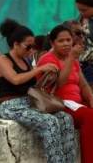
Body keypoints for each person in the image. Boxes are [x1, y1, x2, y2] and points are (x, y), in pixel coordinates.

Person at [0, 19, 75, 163]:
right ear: (16, 44)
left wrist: (48, 76)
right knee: (49, 122)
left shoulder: (26, 61)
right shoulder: (3, 59)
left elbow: (31, 85)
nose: (31, 50)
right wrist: (39, 69)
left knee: (65, 119)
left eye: (33, 46)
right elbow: (15, 79)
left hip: (29, 102)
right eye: (28, 46)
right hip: (11, 106)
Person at [37, 25, 93, 163]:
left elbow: (83, 84)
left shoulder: (72, 59)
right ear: (52, 43)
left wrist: (91, 98)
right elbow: (59, 83)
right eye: (61, 41)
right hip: (59, 104)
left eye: (68, 40)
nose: (66, 43)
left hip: (76, 104)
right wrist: (72, 57)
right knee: (89, 116)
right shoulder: (47, 59)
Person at [75, 0, 93, 84]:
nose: (81, 13)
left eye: (84, 10)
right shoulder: (80, 19)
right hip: (81, 64)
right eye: (79, 10)